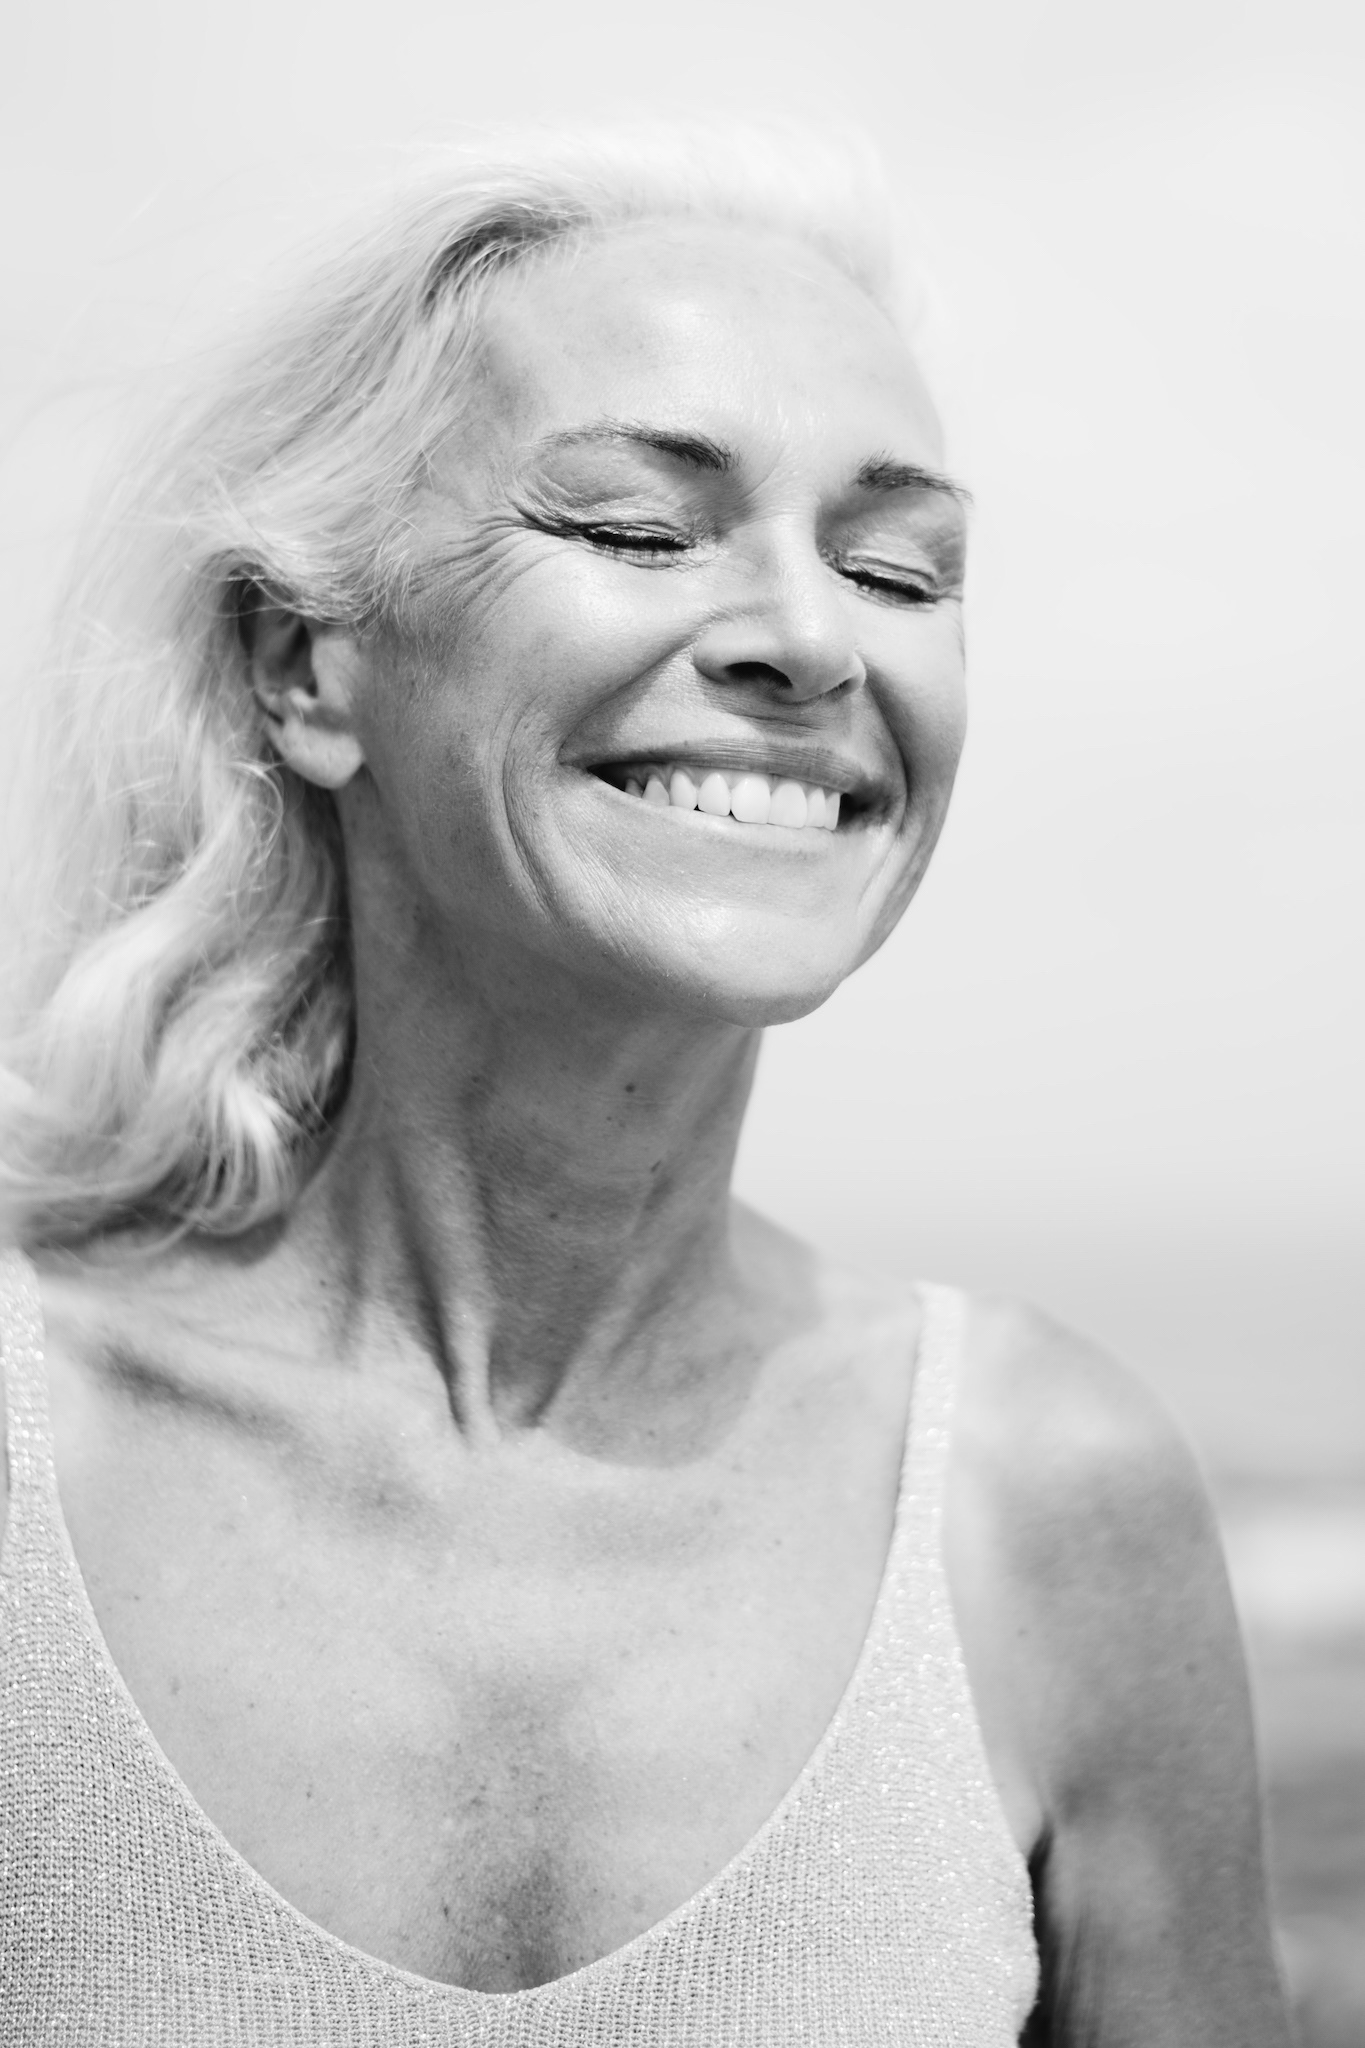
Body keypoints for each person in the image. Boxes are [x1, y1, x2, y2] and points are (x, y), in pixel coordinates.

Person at [0, 127, 1289, 2045]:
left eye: (895, 564)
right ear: (302, 673)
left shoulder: (1042, 1503)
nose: (810, 635)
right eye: (631, 529)